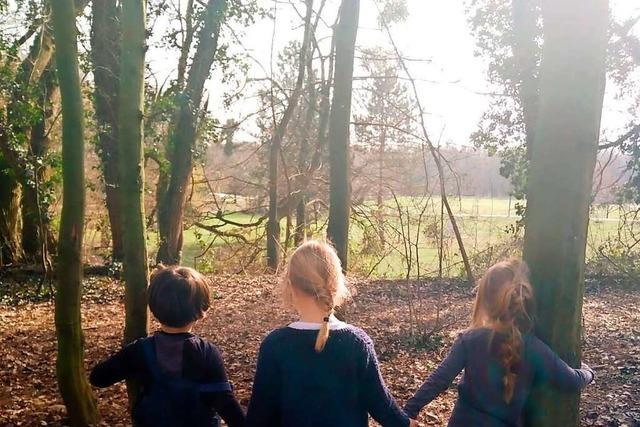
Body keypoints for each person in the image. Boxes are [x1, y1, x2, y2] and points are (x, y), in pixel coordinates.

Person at [404, 259, 594, 426]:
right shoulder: (534, 348)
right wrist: (588, 372)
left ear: (485, 301)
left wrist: (407, 413)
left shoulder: (469, 341)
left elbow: (439, 380)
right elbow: (571, 380)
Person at [246, 240, 415, 427]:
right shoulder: (357, 343)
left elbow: (259, 416)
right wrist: (406, 423)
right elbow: (380, 404)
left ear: (291, 285)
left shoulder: (275, 345)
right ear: (335, 284)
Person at [90, 266, 245, 427]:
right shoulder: (206, 352)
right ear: (202, 309)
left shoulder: (139, 350)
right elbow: (225, 402)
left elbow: (98, 378)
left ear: (154, 306)